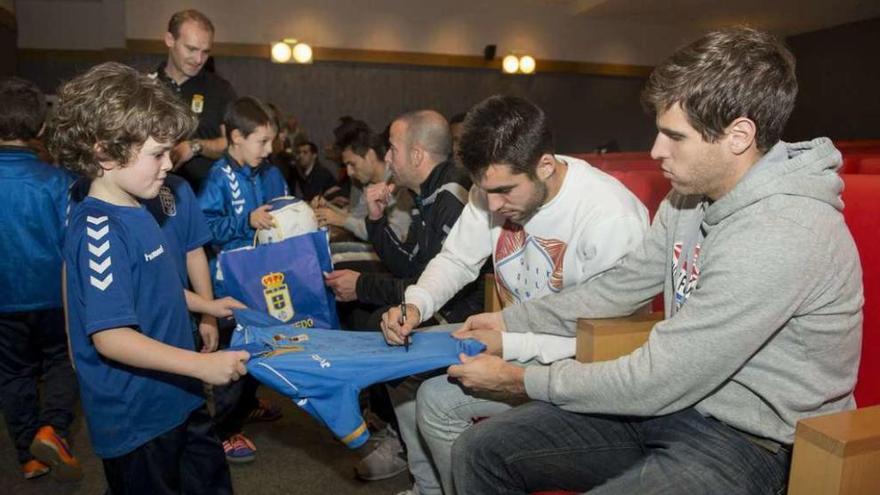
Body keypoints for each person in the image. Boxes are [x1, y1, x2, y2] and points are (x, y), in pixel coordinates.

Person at [447, 27, 862, 495]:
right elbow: (620, 287)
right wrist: (509, 322)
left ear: (738, 136)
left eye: (674, 136)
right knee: (479, 451)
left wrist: (523, 380)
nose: (655, 151)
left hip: (754, 441)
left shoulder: (783, 230)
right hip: (674, 407)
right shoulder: (689, 198)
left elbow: (662, 376)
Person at [379, 95, 649, 494]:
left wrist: (506, 344)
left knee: (437, 401)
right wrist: (416, 304)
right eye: (483, 190)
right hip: (512, 334)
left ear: (544, 164)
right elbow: (456, 259)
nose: (492, 205)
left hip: (574, 362)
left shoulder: (609, 216)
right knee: (396, 365)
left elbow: (607, 341)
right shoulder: (491, 190)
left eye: (505, 191)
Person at [48, 61, 249, 494]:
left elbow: (151, 289)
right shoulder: (99, 230)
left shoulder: (139, 206)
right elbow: (111, 337)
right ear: (104, 152)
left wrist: (207, 306)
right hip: (137, 418)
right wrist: (201, 364)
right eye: (157, 154)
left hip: (180, 394)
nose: (168, 164)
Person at [197, 95, 288, 462]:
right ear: (236, 137)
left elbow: (282, 207)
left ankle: (246, 404)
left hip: (265, 278)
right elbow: (202, 227)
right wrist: (244, 221)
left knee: (260, 348)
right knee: (234, 355)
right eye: (261, 142)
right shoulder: (219, 178)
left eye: (271, 142)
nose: (269, 150)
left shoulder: (270, 172)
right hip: (230, 282)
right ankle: (223, 430)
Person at [0, 76, 79, 481]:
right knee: (62, 362)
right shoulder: (58, 182)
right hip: (53, 296)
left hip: (4, 302)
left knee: (14, 374)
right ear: (42, 127)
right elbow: (74, 246)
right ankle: (54, 428)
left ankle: (27, 455)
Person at [152, 9, 237, 192]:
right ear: (169, 40)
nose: (199, 60)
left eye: (205, 52)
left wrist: (194, 147)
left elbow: (234, 143)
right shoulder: (147, 87)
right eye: (191, 49)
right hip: (154, 195)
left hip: (207, 197)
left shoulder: (220, 89)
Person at [313, 117, 411, 242]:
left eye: (352, 164)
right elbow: (356, 218)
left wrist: (340, 220)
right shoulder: (369, 185)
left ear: (370, 155)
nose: (349, 172)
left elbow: (394, 237)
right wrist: (327, 207)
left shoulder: (398, 182)